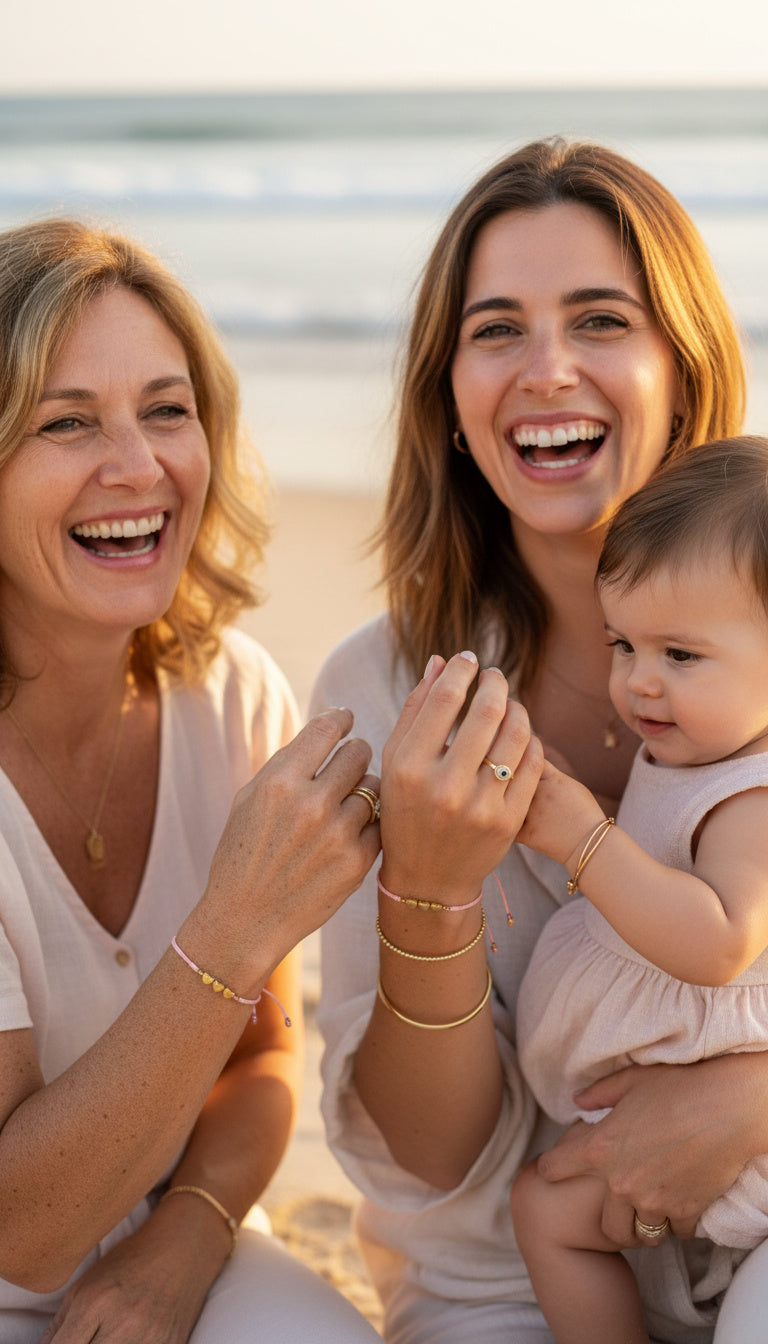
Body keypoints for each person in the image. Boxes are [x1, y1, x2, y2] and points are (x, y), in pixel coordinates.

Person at [310, 137, 768, 1344]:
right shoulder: (379, 692)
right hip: (512, 1269)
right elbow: (434, 1154)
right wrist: (431, 889)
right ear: (448, 395)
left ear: (683, 365)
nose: (547, 369)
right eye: (497, 329)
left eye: (602, 319)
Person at [0, 217, 384, 1344]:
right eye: (67, 422)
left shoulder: (234, 696)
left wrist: (189, 1235)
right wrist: (230, 927)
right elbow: (20, 1231)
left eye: (168, 411)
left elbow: (263, 1056)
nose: (140, 467)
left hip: (164, 1236)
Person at [510, 435, 768, 1343]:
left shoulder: (756, 796)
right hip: (666, 1110)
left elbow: (719, 941)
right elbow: (648, 864)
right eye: (623, 643)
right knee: (542, 1214)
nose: (640, 680)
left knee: (550, 1213)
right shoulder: (697, 755)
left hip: (741, 1122)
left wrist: (581, 837)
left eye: (682, 655)